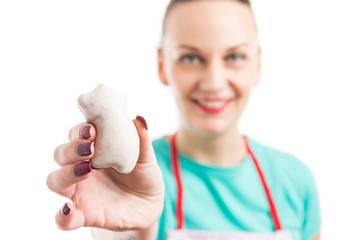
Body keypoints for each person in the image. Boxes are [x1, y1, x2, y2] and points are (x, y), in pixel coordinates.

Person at [46, 0, 321, 239]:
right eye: (191, 57)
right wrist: (125, 233)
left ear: (257, 65)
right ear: (163, 66)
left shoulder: (295, 181)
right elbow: (124, 230)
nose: (213, 83)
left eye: (235, 56)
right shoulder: (132, 178)